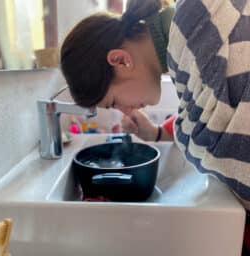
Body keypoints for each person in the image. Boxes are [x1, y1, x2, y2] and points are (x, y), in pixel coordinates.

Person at [60, 0, 250, 254]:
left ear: (120, 60)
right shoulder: (181, 48)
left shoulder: (194, 28)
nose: (125, 111)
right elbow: (205, 114)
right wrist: (156, 133)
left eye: (114, 102)